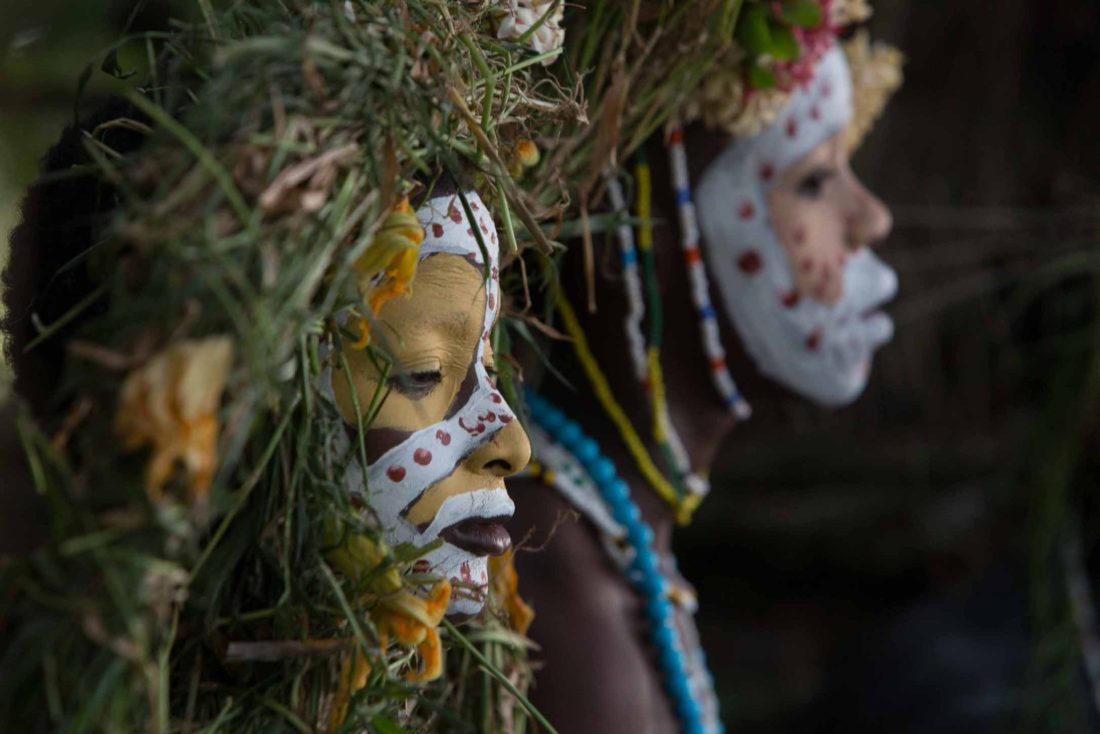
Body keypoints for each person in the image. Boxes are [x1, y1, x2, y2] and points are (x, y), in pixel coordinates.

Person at [511, 25, 902, 734]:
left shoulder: (619, 552)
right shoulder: (552, 576)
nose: (871, 218)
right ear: (652, 235)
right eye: (815, 181)